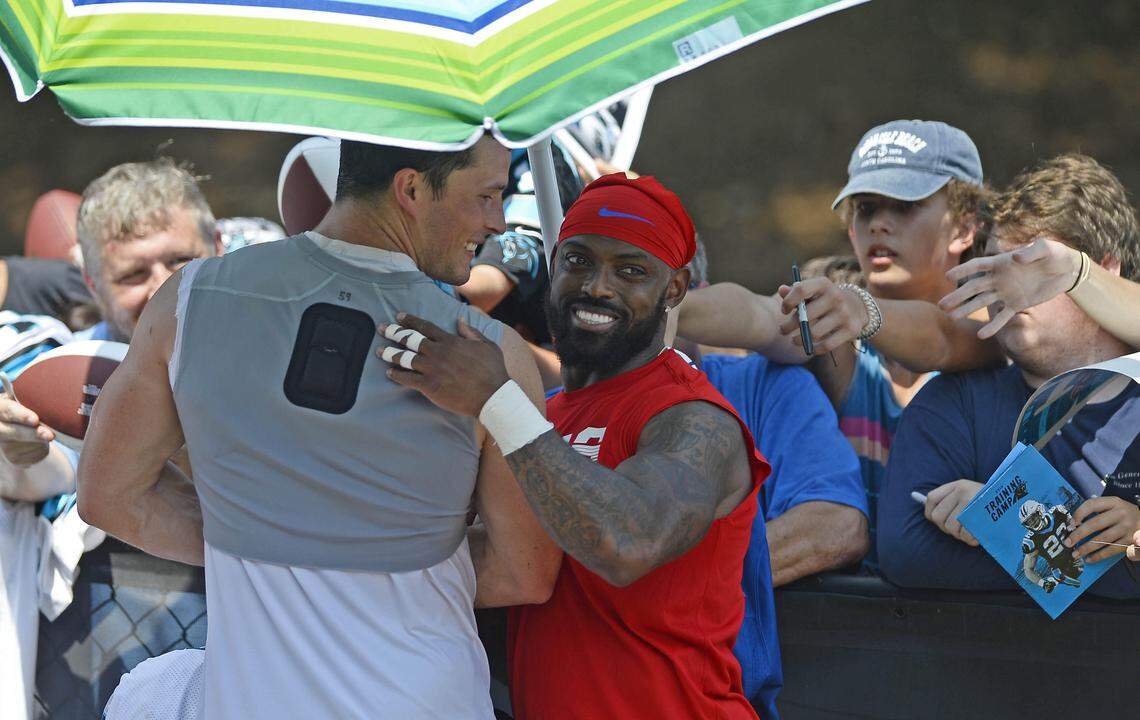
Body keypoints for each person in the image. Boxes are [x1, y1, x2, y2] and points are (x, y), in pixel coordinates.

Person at [79, 136, 561, 720]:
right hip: (431, 702)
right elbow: (525, 573)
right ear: (410, 188)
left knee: (150, 692)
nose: (498, 221)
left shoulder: (185, 301)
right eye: (486, 195)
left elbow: (110, 494)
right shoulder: (494, 355)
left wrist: (265, 557)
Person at [380, 173, 769, 718]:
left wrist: (499, 401)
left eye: (630, 270)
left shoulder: (697, 420)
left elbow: (629, 542)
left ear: (675, 289)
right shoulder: (546, 414)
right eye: (579, 260)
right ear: (555, 262)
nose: (597, 287)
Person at [676, 120, 1000, 566]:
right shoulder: (840, 332)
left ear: (965, 228)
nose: (879, 225)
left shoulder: (1005, 333)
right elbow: (761, 316)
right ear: (850, 231)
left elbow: (948, 338)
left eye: (905, 206)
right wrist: (660, 312)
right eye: (866, 208)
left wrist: (862, 310)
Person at [0, 158, 221, 720]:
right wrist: (19, 450)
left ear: (219, 248)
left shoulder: (287, 360)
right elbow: (44, 460)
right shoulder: (52, 369)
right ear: (93, 285)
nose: (163, 288)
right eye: (132, 275)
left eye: (181, 261)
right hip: (91, 672)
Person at [877, 153, 1140, 597]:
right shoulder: (953, 401)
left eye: (1031, 268)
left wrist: (1001, 527)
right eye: (995, 267)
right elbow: (906, 552)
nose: (1006, 289)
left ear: (1104, 271)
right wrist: (1021, 523)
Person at [940, 158, 1140, 350]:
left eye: (1034, 262)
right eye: (993, 266)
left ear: (1106, 269)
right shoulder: (951, 386)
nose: (1008, 281)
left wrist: (1078, 273)